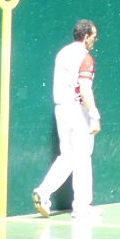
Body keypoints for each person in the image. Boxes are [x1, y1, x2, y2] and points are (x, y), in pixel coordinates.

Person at [31, 19, 102, 221]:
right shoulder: (86, 58)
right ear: (86, 36)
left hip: (61, 110)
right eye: (94, 37)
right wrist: (94, 115)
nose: (95, 40)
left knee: (68, 156)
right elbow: (84, 89)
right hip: (78, 111)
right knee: (83, 157)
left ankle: (43, 192)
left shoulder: (62, 53)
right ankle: (82, 208)